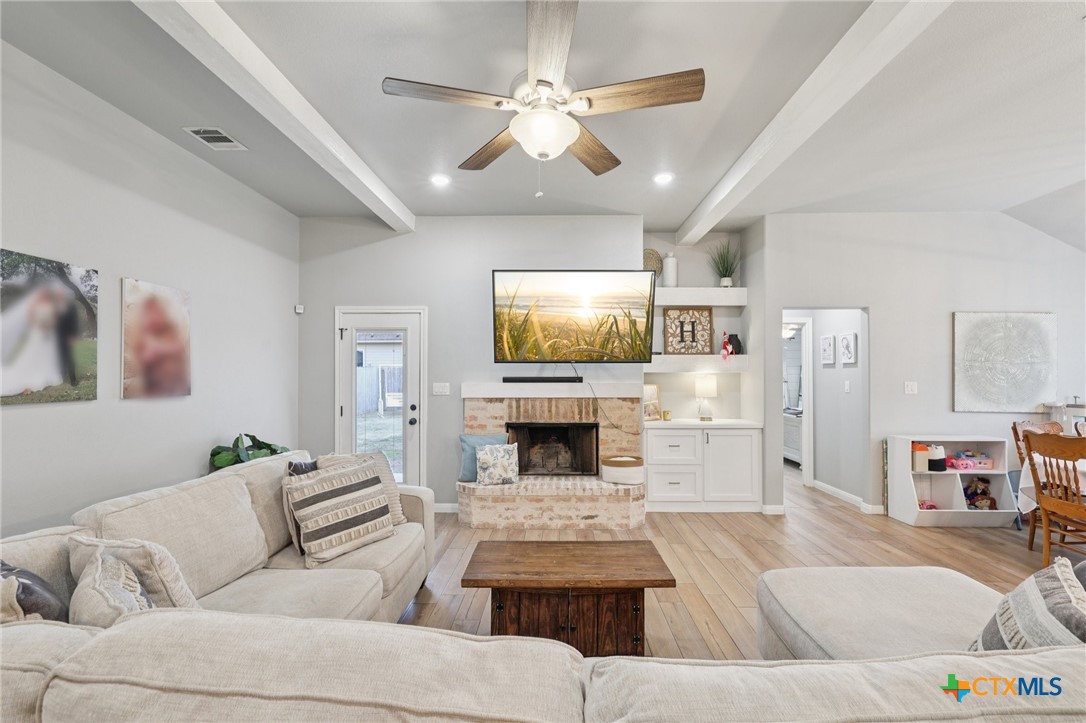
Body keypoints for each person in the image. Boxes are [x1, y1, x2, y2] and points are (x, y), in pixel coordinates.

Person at [1, 284, 64, 396]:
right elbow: (30, 318)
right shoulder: (34, 305)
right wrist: (40, 325)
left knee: (46, 355)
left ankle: (46, 374)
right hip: (37, 332)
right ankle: (31, 376)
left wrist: (49, 326)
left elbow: (54, 319)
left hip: (49, 334)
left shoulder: (51, 305)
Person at [55, 292, 80, 387]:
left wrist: (73, 335)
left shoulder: (71, 307)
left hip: (68, 336)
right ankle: (62, 375)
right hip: (57, 336)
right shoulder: (55, 307)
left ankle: (73, 379)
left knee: (69, 357)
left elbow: (75, 321)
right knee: (60, 356)